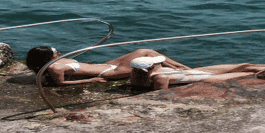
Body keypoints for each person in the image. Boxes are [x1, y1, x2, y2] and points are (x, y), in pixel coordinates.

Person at [25, 46, 191, 86]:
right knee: (146, 53)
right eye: (54, 52)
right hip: (107, 72)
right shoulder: (55, 68)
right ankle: (185, 70)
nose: (57, 52)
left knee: (147, 51)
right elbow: (60, 84)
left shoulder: (55, 63)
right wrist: (92, 81)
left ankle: (183, 69)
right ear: (47, 57)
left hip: (106, 65)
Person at [129, 55, 265, 90]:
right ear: (151, 67)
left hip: (196, 72)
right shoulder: (160, 76)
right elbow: (163, 94)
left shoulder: (140, 74)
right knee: (247, 72)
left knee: (245, 64)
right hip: (205, 79)